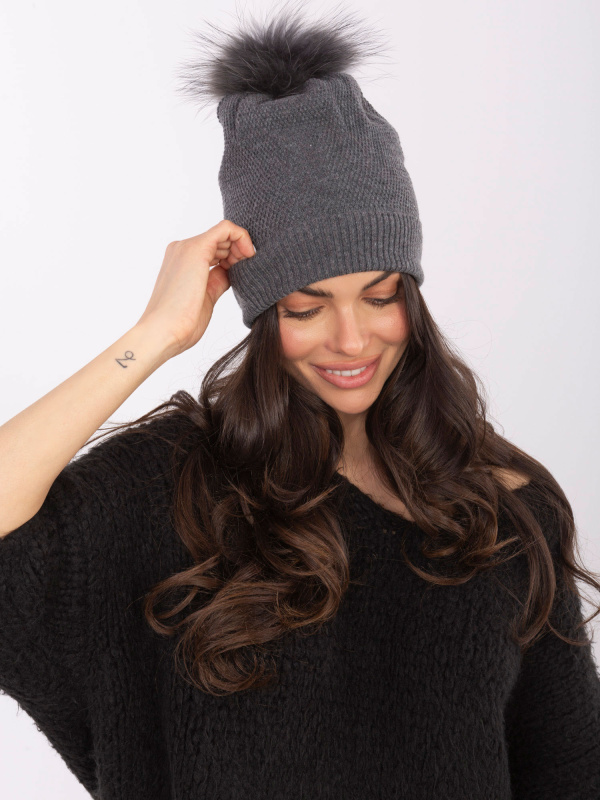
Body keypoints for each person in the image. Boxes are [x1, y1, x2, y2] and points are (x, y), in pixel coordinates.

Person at [1, 5, 599, 799]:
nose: (351, 340)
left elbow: (569, 770)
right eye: (306, 308)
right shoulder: (166, 490)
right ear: (261, 313)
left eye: (380, 297)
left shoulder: (502, 510)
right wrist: (157, 332)